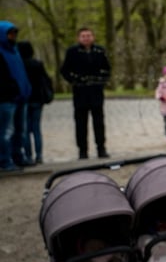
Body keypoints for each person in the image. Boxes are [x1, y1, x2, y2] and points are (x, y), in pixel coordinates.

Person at [60, 27, 110, 159]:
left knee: (98, 122)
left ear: (93, 37)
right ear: (79, 38)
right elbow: (64, 70)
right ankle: (82, 150)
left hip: (96, 91)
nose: (86, 38)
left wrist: (101, 81)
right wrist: (74, 80)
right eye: (83, 36)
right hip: (80, 92)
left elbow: (107, 69)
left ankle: (101, 148)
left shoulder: (99, 51)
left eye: (88, 36)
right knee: (81, 123)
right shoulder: (72, 52)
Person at [0, 21, 31, 172]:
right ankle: (4, 160)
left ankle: (18, 156)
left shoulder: (15, 51)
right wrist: (11, 89)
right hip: (6, 99)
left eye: (14, 34)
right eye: (9, 34)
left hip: (21, 97)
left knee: (20, 130)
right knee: (6, 131)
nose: (12, 36)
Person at [18, 41, 52, 165]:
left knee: (26, 129)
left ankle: (29, 155)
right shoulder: (37, 64)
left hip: (25, 99)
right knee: (36, 128)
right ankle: (39, 155)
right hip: (38, 99)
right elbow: (46, 80)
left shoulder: (20, 64)